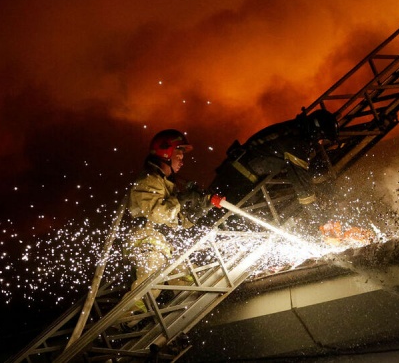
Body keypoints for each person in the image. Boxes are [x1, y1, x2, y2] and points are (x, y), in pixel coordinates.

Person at [120, 129, 222, 326]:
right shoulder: (148, 181)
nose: (182, 160)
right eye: (179, 154)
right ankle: (123, 324)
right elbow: (159, 213)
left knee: (187, 281)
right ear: (165, 154)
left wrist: (201, 208)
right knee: (149, 286)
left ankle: (191, 310)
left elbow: (179, 220)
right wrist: (183, 200)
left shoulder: (168, 184)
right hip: (146, 242)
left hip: (164, 243)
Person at [208, 109, 339, 211]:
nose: (321, 143)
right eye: (322, 139)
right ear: (317, 132)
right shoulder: (297, 142)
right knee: (222, 217)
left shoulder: (293, 131)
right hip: (239, 179)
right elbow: (301, 183)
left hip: (236, 172)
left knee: (213, 211)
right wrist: (319, 218)